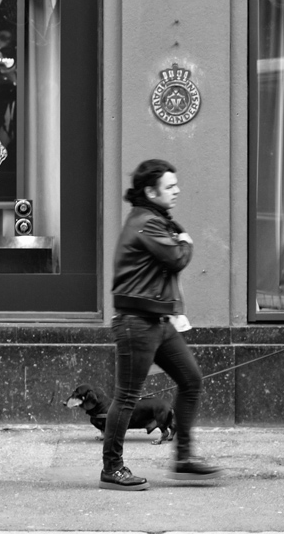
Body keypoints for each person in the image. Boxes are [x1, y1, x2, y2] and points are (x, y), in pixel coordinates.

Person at [101, 159, 222, 491]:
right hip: (136, 323)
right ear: (151, 192)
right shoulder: (147, 223)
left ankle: (183, 460)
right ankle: (112, 469)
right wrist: (186, 240)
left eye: (175, 184)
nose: (177, 190)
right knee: (127, 397)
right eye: (170, 186)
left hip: (157, 320)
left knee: (191, 380)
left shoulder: (154, 219)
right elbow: (176, 258)